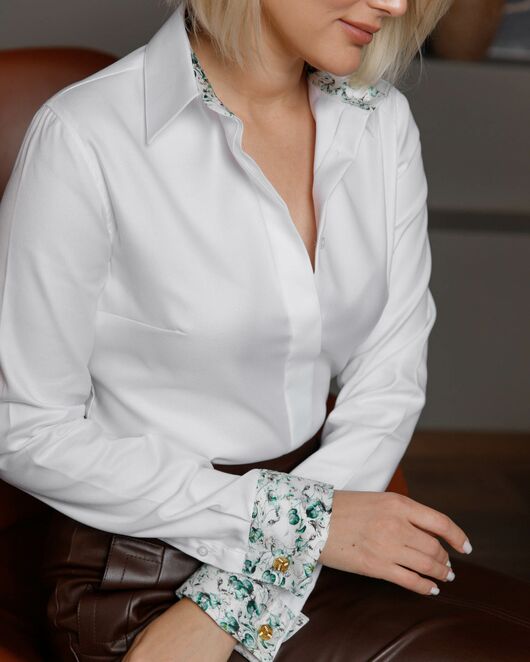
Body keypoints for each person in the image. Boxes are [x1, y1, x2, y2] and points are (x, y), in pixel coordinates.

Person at [2, 1, 529, 661]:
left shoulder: (379, 120)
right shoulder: (87, 136)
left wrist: (235, 601)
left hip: (328, 535)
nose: (396, 5)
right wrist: (304, 528)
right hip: (141, 569)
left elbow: (387, 379)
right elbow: (24, 427)